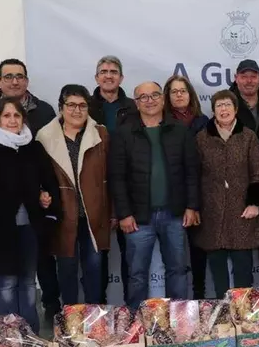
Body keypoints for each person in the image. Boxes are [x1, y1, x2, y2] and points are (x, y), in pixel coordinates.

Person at [0, 58, 61, 322]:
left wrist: (46, 201)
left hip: (30, 225)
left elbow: (48, 180)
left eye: (17, 115)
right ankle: (6, 335)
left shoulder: (33, 146)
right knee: (6, 283)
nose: (12, 120)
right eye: (6, 116)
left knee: (28, 283)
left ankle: (30, 334)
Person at [109, 81, 200, 309]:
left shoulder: (180, 130)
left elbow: (192, 171)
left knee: (178, 270)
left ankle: (178, 319)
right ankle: (136, 322)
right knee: (137, 274)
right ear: (136, 102)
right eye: (143, 97)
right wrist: (124, 214)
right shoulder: (124, 133)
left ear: (162, 98)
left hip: (174, 214)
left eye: (154, 95)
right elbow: (117, 177)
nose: (149, 101)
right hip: (138, 217)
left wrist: (192, 206)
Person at [37, 84, 110, 305]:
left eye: (82, 105)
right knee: (66, 269)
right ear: (61, 107)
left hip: (93, 213)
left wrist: (113, 212)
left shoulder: (100, 134)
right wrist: (41, 193)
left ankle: (95, 317)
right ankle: (69, 317)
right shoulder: (44, 136)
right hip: (63, 214)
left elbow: (111, 175)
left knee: (94, 268)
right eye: (71, 105)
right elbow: (37, 174)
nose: (77, 110)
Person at [194, 90, 259, 296]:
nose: (224, 109)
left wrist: (254, 203)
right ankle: (223, 311)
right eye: (219, 105)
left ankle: (242, 310)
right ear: (213, 111)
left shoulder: (248, 136)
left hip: (242, 211)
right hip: (212, 212)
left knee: (243, 270)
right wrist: (197, 206)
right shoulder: (201, 138)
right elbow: (194, 174)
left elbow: (258, 171)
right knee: (218, 270)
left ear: (236, 109)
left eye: (228, 105)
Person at [228, 59, 259, 285]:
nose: (249, 81)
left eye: (253, 76)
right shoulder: (228, 104)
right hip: (240, 186)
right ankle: (244, 299)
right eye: (244, 76)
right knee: (242, 248)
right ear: (236, 78)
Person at [89, 55, 134, 305]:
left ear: (121, 78)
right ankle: (99, 311)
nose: (108, 76)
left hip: (128, 186)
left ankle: (131, 309)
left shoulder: (133, 107)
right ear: (97, 77)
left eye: (113, 72)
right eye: (104, 72)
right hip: (94, 186)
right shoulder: (85, 106)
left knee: (131, 255)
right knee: (96, 256)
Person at [164, 75, 210, 298]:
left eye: (183, 91)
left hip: (200, 192)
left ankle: (199, 296)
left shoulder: (203, 122)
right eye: (174, 92)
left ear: (190, 95)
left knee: (198, 248)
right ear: (167, 97)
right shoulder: (162, 122)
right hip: (171, 194)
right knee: (174, 255)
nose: (179, 95)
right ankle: (175, 303)